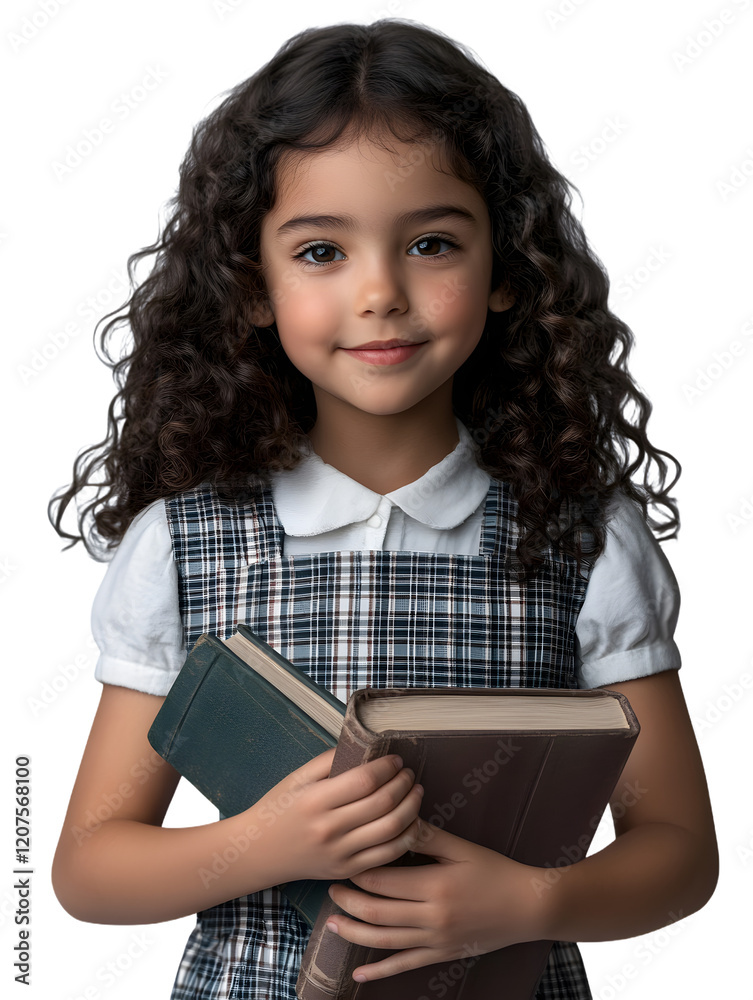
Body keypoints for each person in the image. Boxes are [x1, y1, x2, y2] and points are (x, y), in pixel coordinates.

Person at [49, 18, 718, 1000]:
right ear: (253, 288)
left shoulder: (583, 537)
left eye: (432, 242)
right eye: (321, 250)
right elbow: (86, 868)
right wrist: (260, 845)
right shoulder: (180, 547)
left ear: (505, 271)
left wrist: (530, 902)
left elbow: (678, 852)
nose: (381, 294)